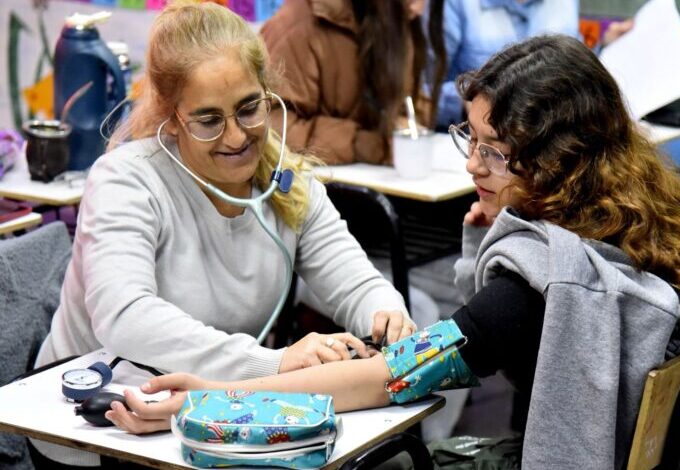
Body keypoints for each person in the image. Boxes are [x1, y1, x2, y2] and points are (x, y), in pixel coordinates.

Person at [106, 35, 680, 469]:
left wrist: (208, 397)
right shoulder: (646, 221)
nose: (472, 164)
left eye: (493, 150)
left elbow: (391, 376)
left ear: (559, 160)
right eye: (471, 136)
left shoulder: (541, 284)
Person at [32, 1, 416, 466]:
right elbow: (126, 315)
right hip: (92, 430)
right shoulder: (125, 180)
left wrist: (388, 314)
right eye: (210, 120)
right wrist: (273, 365)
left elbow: (354, 280)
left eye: (249, 108)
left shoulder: (285, 180)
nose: (236, 137)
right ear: (172, 118)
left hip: (209, 412)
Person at [259, 0, 437, 165]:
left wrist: (405, 125)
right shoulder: (296, 27)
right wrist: (362, 144)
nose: (420, 7)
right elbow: (271, 127)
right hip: (312, 185)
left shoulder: (394, 19)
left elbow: (414, 105)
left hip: (385, 179)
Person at [431, 0, 579, 129]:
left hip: (550, 146)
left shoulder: (566, 3)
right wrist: (466, 102)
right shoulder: (456, 4)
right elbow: (419, 89)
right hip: (475, 145)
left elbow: (580, 81)